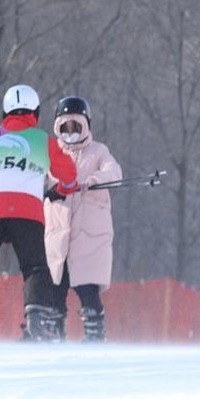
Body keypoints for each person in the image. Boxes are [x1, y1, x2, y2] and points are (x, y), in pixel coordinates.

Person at [0, 85, 78, 341]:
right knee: (35, 268)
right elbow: (69, 176)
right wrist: (64, 188)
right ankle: (36, 321)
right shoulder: (44, 141)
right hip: (27, 214)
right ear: (36, 112)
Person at [43, 96, 122, 342]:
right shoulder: (51, 154)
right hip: (58, 234)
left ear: (85, 126)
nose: (70, 133)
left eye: (75, 127)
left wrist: (95, 180)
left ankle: (94, 332)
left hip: (89, 236)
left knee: (87, 286)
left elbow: (114, 173)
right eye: (64, 128)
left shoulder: (98, 151)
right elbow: (39, 180)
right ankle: (54, 331)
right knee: (56, 285)